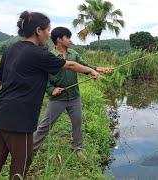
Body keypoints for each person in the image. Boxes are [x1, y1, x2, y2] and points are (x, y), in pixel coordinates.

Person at [0, 11, 99, 179]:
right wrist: (91, 71)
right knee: (21, 165)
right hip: (18, 121)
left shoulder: (12, 48)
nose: (48, 34)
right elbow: (71, 65)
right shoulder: (39, 54)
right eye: (47, 30)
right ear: (38, 30)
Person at [33, 27, 112, 158]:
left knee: (77, 123)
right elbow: (42, 77)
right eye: (68, 37)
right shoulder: (50, 56)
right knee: (45, 126)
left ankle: (77, 147)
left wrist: (99, 69)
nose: (70, 40)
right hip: (58, 98)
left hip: (74, 96)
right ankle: (31, 149)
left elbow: (83, 65)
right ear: (59, 39)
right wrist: (51, 89)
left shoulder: (73, 54)